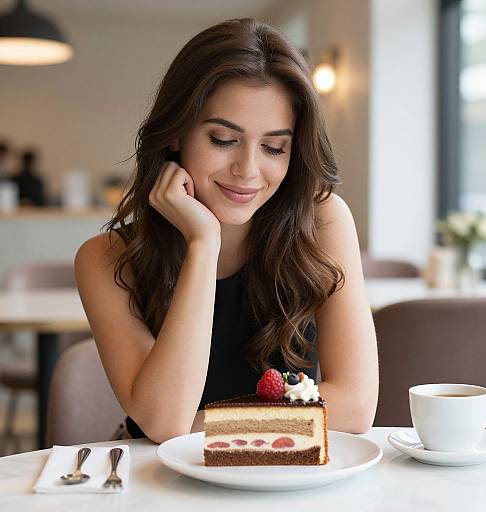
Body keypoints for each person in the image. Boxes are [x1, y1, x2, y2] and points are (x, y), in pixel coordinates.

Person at [75, 18, 378, 443]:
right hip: (162, 486)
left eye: (274, 147)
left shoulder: (324, 222)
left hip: (286, 476)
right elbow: (163, 420)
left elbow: (356, 405)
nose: (248, 171)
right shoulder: (104, 258)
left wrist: (200, 425)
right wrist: (203, 243)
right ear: (177, 132)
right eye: (222, 139)